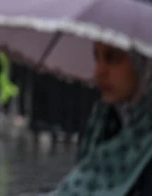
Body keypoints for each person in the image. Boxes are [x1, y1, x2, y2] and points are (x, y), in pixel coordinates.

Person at [55, 42, 152, 195]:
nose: (99, 71)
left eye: (113, 58)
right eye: (96, 58)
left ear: (145, 63)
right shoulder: (101, 122)